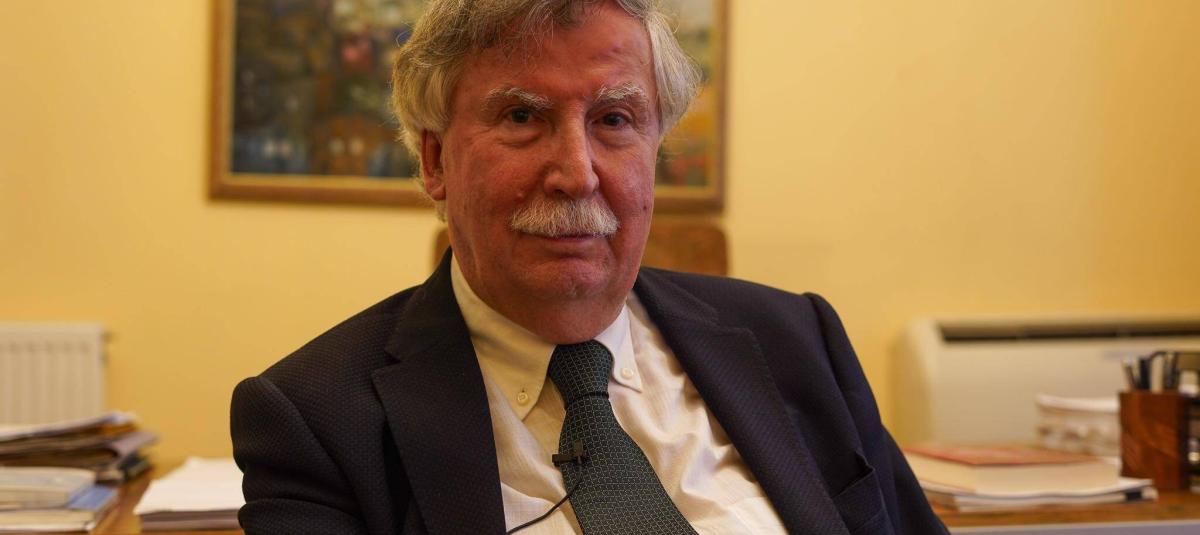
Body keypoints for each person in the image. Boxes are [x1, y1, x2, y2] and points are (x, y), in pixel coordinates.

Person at [230, 1, 948, 533]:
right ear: (436, 159)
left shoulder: (798, 340)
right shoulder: (316, 421)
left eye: (613, 120)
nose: (577, 174)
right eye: (522, 117)